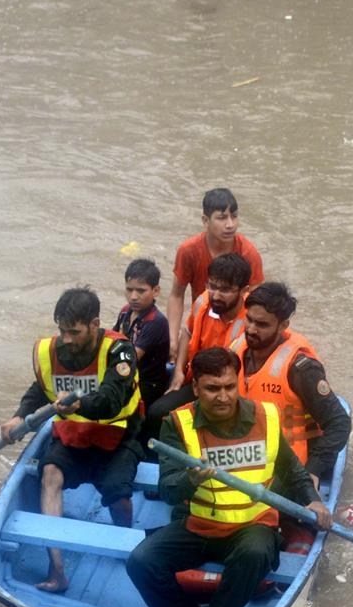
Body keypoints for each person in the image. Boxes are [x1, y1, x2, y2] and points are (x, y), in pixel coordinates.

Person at [126, 347, 332, 607]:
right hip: (200, 526)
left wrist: (313, 501)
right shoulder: (176, 424)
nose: (223, 397)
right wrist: (190, 479)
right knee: (141, 561)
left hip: (253, 526)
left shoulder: (266, 417)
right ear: (195, 387)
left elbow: (293, 471)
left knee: (253, 553)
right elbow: (169, 491)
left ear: (238, 383)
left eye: (229, 387)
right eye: (212, 389)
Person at [0, 286, 143, 593]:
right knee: (49, 474)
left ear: (94, 324)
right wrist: (19, 415)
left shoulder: (119, 351)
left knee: (118, 496)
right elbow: (39, 389)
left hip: (117, 436)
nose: (67, 339)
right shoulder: (53, 351)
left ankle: (127, 546)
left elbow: (112, 400)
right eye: (62, 331)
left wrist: (81, 403)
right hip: (72, 436)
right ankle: (57, 569)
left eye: (74, 332)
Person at [231, 282, 351, 489]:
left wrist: (312, 470)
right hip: (248, 450)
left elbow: (339, 423)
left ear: (283, 325)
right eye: (248, 319)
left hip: (289, 461)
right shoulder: (237, 348)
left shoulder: (302, 369)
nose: (250, 329)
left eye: (262, 325)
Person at [141, 252, 251, 448]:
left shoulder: (252, 323)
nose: (216, 295)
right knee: (147, 406)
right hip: (194, 378)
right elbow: (188, 333)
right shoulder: (203, 301)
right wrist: (178, 372)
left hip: (222, 388)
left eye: (225, 290)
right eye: (212, 286)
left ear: (244, 290)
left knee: (158, 413)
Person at [166, 187, 264, 361]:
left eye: (234, 216)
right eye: (222, 217)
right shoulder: (188, 251)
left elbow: (257, 305)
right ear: (205, 220)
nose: (230, 224)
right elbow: (176, 295)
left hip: (236, 332)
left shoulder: (249, 254)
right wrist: (172, 339)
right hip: (202, 323)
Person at [113, 258, 170, 411]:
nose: (133, 296)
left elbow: (130, 358)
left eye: (140, 290)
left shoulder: (155, 321)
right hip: (127, 375)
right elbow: (110, 341)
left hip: (147, 384)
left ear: (156, 291)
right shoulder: (125, 311)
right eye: (129, 289)